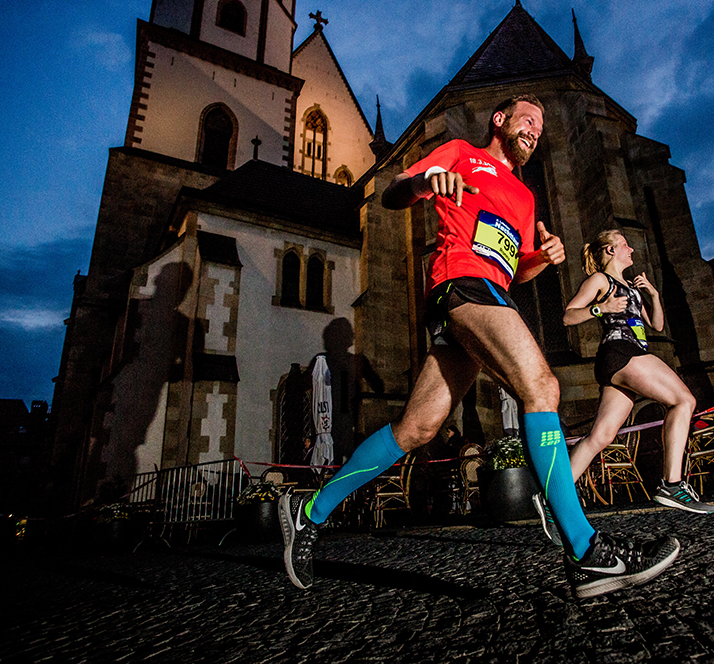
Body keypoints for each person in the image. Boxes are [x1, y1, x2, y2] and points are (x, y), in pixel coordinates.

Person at [278, 96, 680, 599]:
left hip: (490, 294)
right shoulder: (462, 153)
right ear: (500, 120)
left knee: (416, 427)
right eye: (528, 119)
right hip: (459, 285)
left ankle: (308, 510)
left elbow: (513, 270)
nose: (535, 129)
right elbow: (392, 194)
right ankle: (586, 552)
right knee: (542, 386)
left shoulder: (526, 196)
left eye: (541, 125)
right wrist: (427, 182)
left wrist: (542, 258)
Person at [532, 229, 714, 546]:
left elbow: (656, 325)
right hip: (621, 353)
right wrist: (601, 309)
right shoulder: (602, 281)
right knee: (684, 400)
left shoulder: (630, 287)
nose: (631, 249)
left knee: (600, 437)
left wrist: (653, 295)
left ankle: (552, 498)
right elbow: (568, 317)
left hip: (624, 359)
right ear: (612, 250)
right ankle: (672, 484)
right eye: (625, 244)